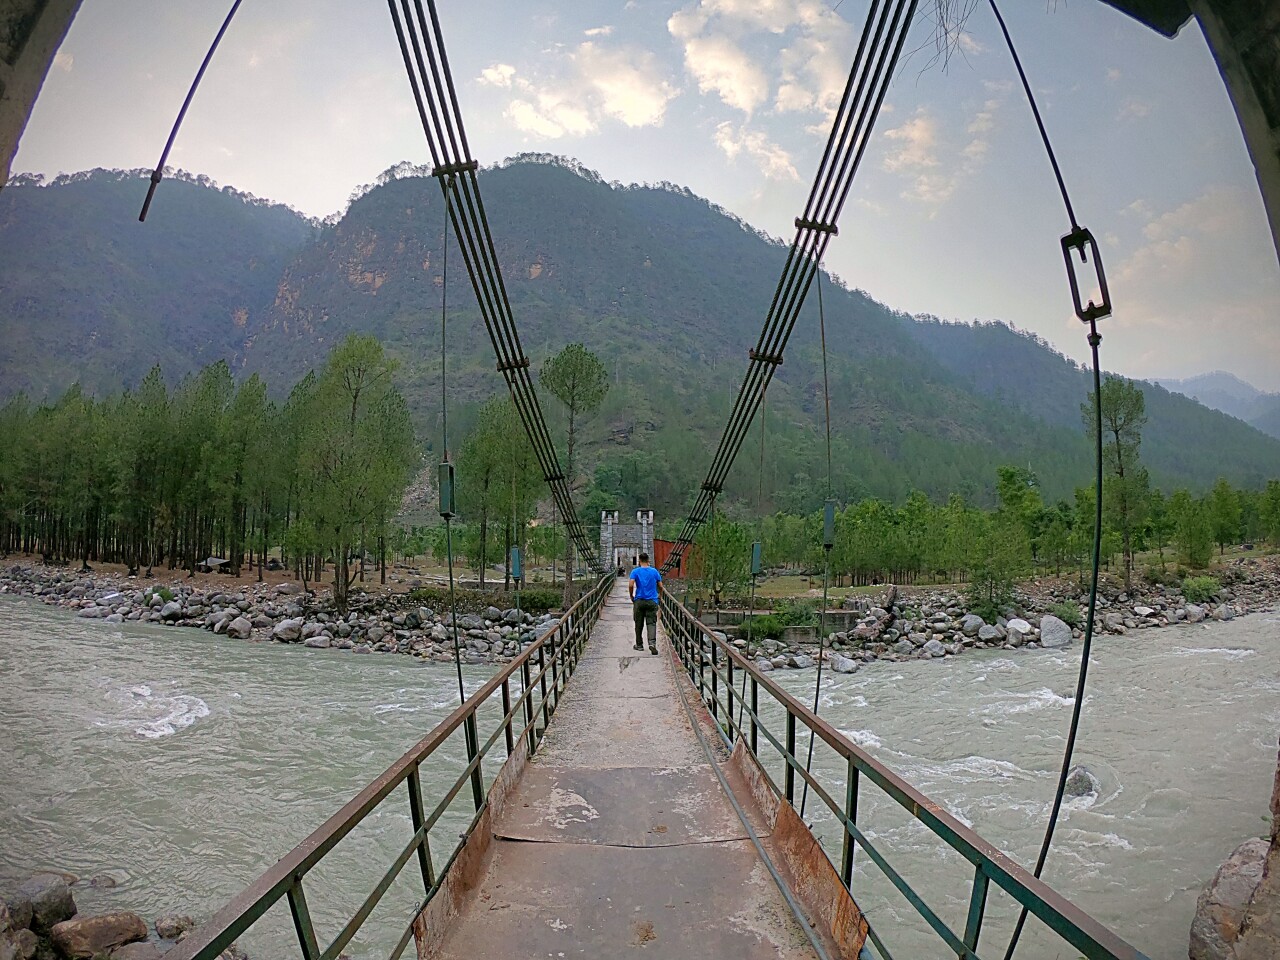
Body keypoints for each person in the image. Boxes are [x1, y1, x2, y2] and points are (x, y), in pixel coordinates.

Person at [628, 552, 662, 655]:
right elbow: (660, 586)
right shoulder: (654, 571)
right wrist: (660, 595)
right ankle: (652, 644)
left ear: (639, 561)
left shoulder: (635, 571)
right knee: (651, 623)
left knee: (638, 623)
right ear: (648, 561)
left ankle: (639, 645)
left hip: (639, 600)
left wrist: (631, 596)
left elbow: (630, 584)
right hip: (652, 600)